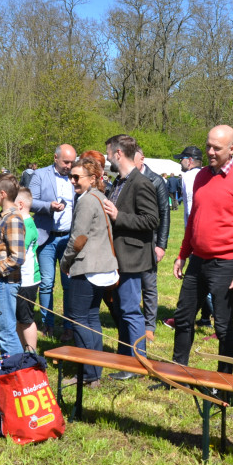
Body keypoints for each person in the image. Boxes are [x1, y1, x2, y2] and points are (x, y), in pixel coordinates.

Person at [171, 125, 233, 375]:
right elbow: (194, 221)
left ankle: (225, 382)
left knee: (222, 326)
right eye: (208, 146)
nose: (209, 152)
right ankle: (177, 373)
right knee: (183, 317)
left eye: (216, 148)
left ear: (232, 149)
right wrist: (182, 254)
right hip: (197, 261)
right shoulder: (201, 177)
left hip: (226, 264)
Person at [103, 135, 159, 377]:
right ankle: (125, 359)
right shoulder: (119, 182)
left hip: (132, 258)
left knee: (130, 310)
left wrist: (118, 216)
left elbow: (151, 220)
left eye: (108, 153)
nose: (106, 158)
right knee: (122, 310)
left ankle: (137, 365)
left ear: (118, 154)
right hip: (119, 257)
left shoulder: (141, 183)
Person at [60, 156, 118, 388]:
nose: (72, 180)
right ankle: (94, 371)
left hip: (88, 268)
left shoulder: (86, 200)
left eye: (77, 177)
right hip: (102, 268)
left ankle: (89, 373)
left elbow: (78, 239)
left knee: (79, 319)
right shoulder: (99, 196)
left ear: (93, 179)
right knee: (91, 318)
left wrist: (64, 263)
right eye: (70, 176)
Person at [29, 144, 77, 339]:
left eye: (72, 162)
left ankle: (68, 325)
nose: (69, 165)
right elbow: (30, 201)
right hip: (47, 237)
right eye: (66, 162)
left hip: (69, 238)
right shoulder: (40, 175)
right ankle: (47, 323)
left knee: (69, 284)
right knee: (47, 283)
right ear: (55, 158)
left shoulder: (76, 177)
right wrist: (48, 206)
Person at [164, 145, 212, 330]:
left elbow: (192, 207)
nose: (180, 163)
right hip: (205, 232)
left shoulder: (190, 176)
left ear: (190, 160)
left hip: (197, 234)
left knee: (200, 278)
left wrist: (191, 235)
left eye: (181, 159)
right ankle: (206, 319)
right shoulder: (206, 174)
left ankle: (211, 319)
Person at [0, 173, 26, 357]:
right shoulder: (3, 216)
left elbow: (18, 257)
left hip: (6, 283)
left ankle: (17, 374)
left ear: (2, 194)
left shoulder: (13, 219)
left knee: (6, 332)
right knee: (3, 330)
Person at [134, 146, 170, 344]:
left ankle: (149, 326)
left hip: (151, 240)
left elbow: (165, 213)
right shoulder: (125, 177)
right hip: (129, 240)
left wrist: (161, 245)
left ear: (142, 158)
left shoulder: (156, 180)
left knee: (149, 284)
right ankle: (131, 320)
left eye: (134, 158)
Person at [14, 187, 40, 352]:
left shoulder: (26, 226)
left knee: (26, 319)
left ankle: (31, 353)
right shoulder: (24, 223)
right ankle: (22, 350)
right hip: (21, 279)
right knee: (19, 318)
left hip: (27, 280)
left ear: (20, 205)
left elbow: (18, 253)